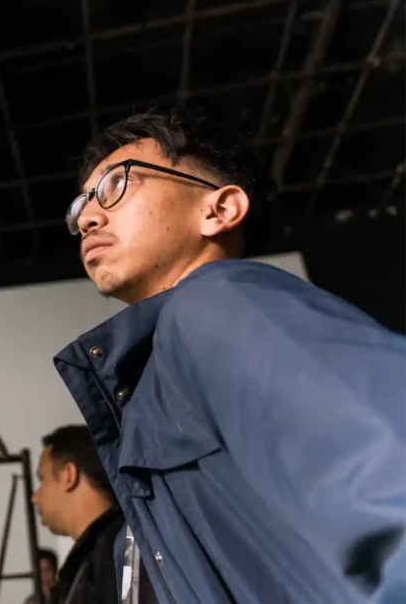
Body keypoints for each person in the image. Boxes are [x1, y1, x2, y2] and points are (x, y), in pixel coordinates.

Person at [53, 105, 406, 604]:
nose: (87, 217)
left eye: (115, 185)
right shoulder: (158, 376)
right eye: (82, 205)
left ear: (218, 210)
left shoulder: (218, 304)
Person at [30, 425, 127, 604]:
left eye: (42, 479)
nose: (35, 497)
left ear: (68, 475)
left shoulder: (117, 552)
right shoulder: (100, 553)